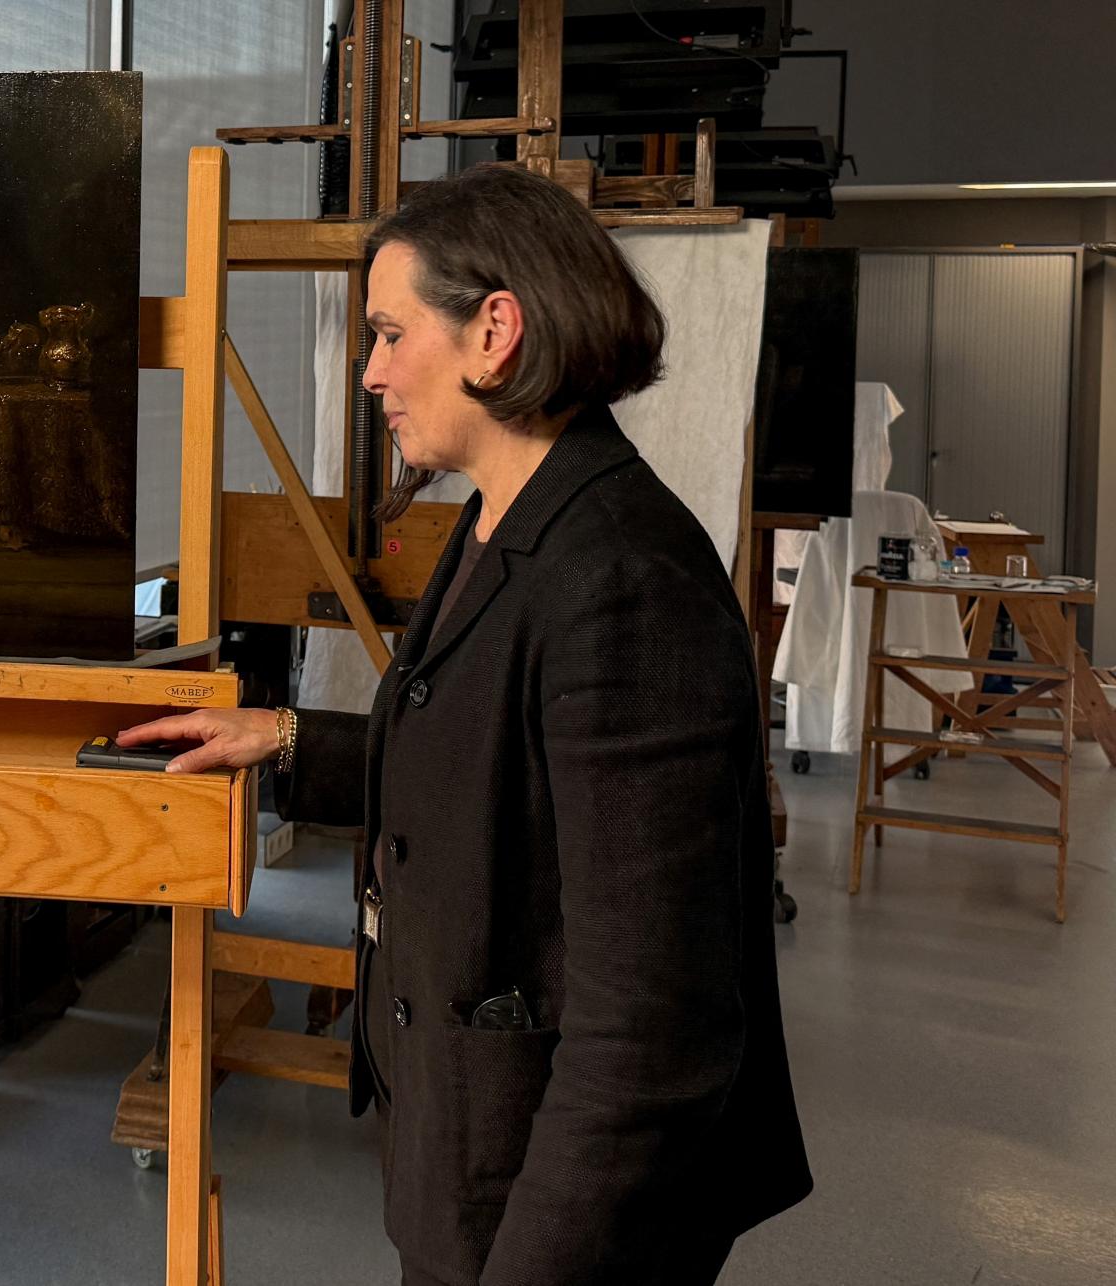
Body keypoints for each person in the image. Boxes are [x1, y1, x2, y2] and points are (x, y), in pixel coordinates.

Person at [118, 165, 811, 1284]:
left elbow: (652, 1028)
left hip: (560, 1207)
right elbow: (489, 768)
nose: (371, 370)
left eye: (392, 334)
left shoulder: (623, 577)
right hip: (474, 1143)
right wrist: (285, 740)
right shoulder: (508, 518)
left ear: (495, 332)